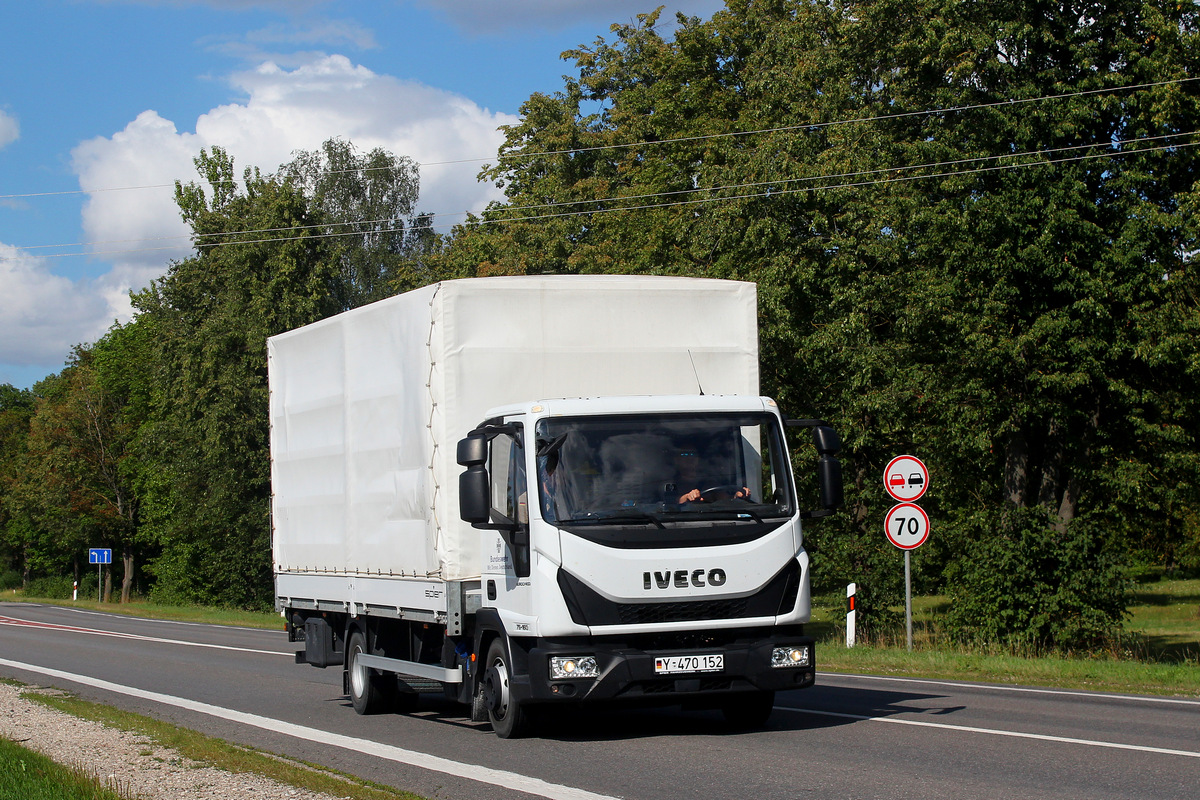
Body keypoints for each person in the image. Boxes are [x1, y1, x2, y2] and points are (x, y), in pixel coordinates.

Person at [668, 446, 749, 505]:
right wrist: (687, 497)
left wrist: (737, 497)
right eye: (684, 454)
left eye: (693, 454)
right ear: (676, 460)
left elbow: (726, 501)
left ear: (698, 459)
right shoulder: (670, 484)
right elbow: (671, 504)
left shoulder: (709, 484)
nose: (689, 458)